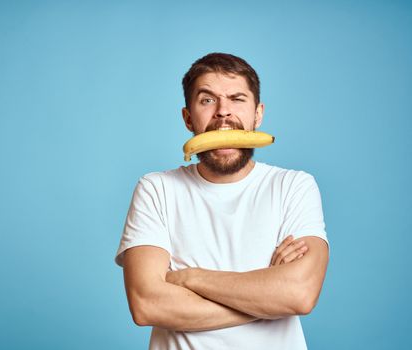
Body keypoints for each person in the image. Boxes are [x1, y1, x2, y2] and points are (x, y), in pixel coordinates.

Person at [114, 52, 329, 350]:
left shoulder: (293, 186)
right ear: (188, 117)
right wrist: (268, 298)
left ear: (258, 114)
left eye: (237, 99)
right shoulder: (156, 189)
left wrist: (190, 278)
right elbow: (147, 304)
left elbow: (300, 294)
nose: (223, 112)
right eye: (207, 100)